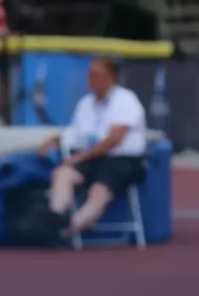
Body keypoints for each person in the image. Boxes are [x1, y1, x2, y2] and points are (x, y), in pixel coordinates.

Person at [36, 56, 147, 238]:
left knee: (99, 191)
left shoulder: (126, 100)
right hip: (94, 158)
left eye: (94, 74)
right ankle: (56, 216)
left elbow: (113, 140)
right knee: (63, 173)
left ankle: (66, 231)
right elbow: (77, 133)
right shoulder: (85, 103)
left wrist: (80, 157)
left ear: (109, 75)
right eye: (88, 74)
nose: (89, 78)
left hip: (123, 161)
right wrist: (56, 140)